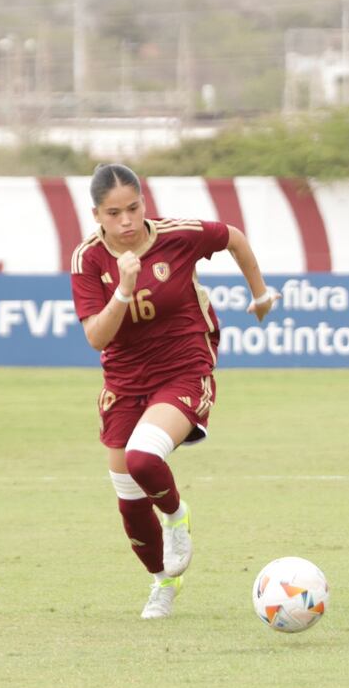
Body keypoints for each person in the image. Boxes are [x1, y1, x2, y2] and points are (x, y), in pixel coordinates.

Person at [70, 163, 278, 619]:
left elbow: (233, 238)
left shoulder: (178, 236)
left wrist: (260, 294)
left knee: (144, 458)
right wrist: (123, 289)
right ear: (96, 215)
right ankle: (163, 582)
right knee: (128, 499)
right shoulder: (88, 260)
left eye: (133, 208)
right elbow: (97, 338)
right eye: (113, 213)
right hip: (124, 381)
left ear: (144, 203)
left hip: (184, 366)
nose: (126, 221)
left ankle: (177, 517)